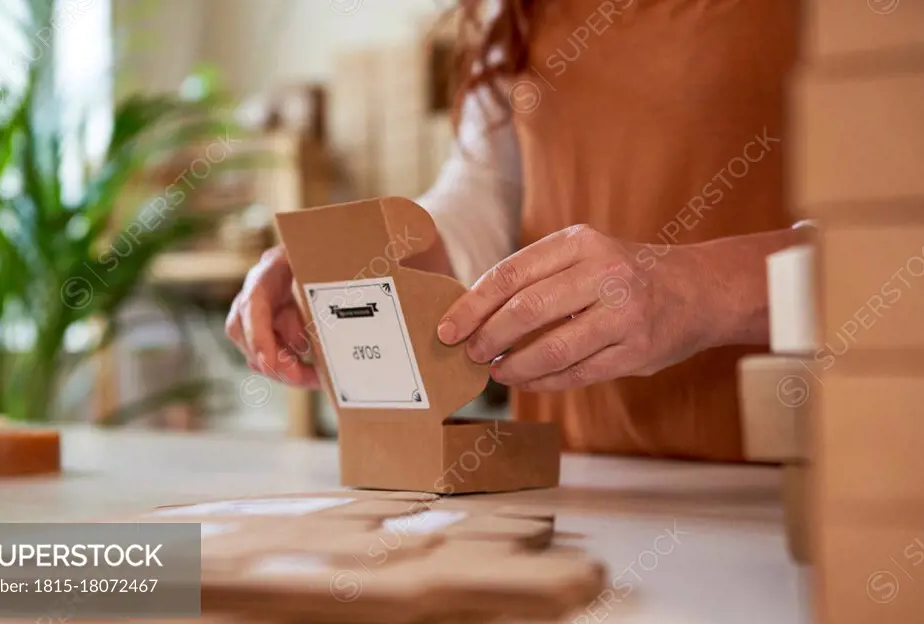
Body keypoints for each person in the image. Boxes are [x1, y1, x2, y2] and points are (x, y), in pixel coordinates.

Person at [226, 0, 811, 462]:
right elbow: (490, 196)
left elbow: (898, 251)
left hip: (795, 485)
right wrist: (355, 261)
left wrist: (703, 290)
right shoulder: (512, 9)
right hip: (579, 481)